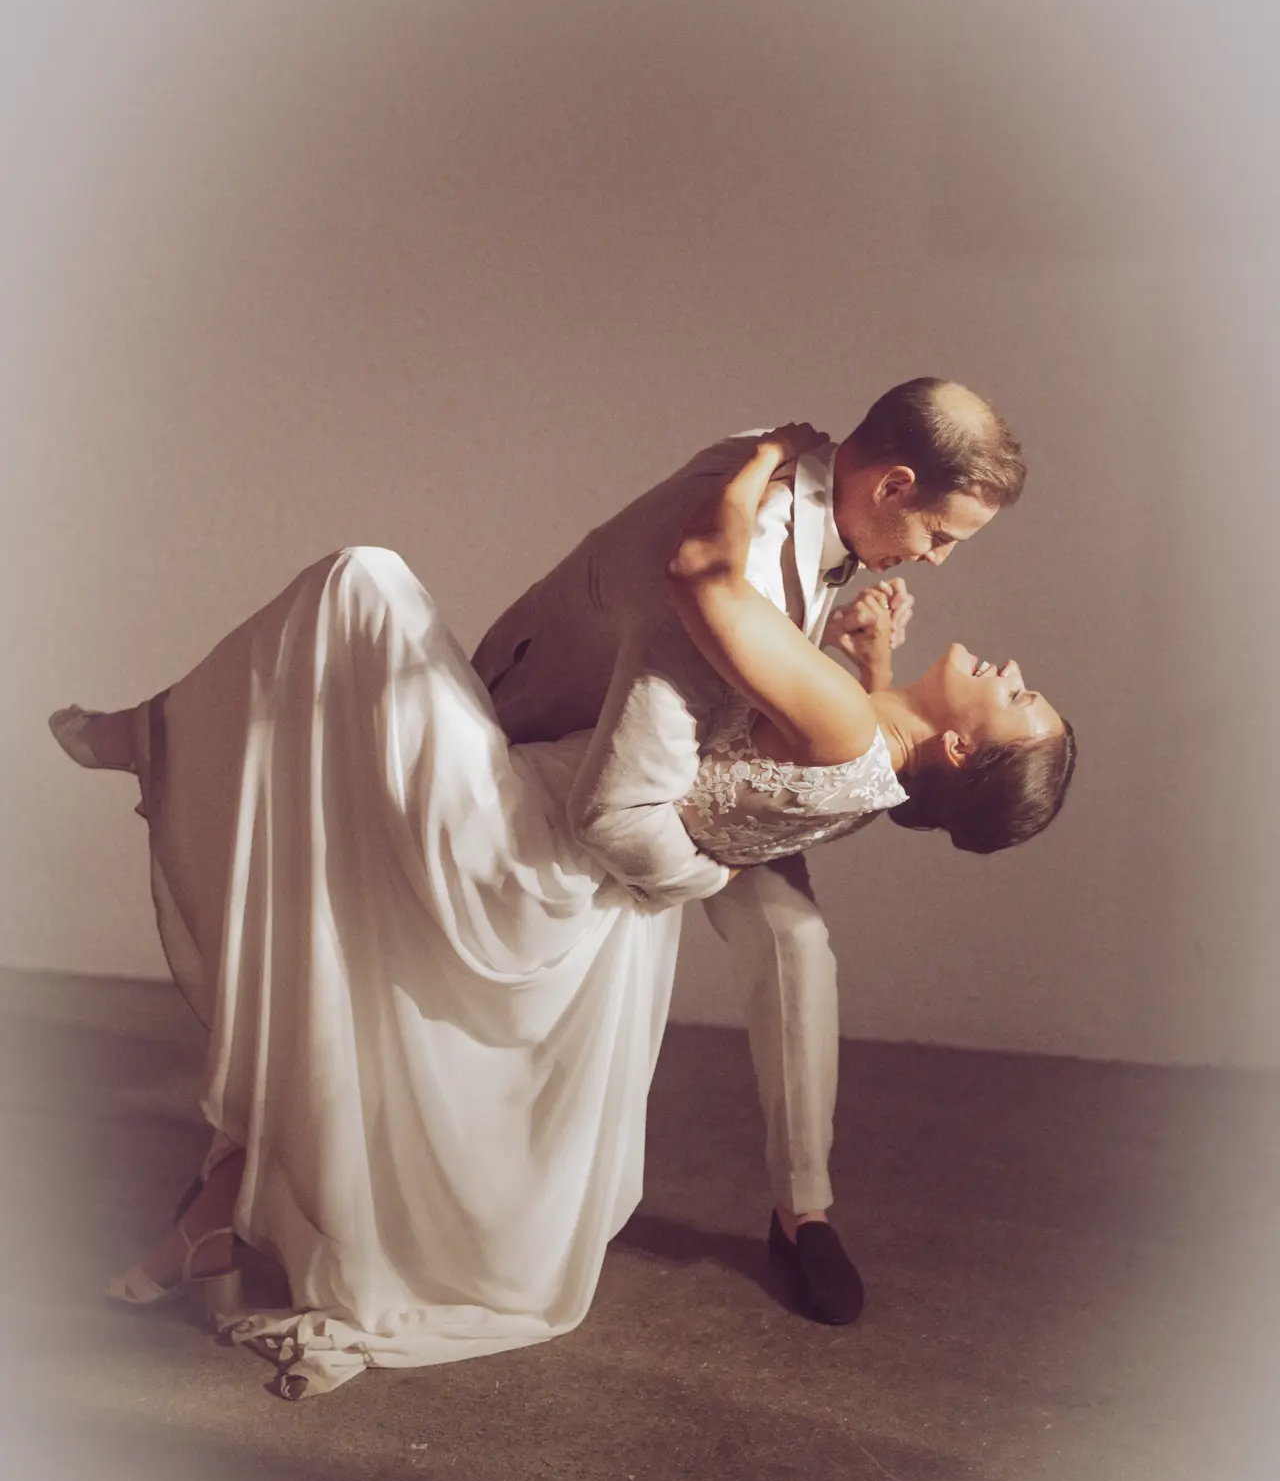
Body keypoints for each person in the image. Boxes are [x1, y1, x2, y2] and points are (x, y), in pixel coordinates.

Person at [49, 428, 1074, 1397]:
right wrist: (868, 659)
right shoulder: (872, 758)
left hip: (534, 833)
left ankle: (163, 733)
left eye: (1019, 702)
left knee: (362, 583)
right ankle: (208, 1226)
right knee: (352, 982)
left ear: (958, 754)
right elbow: (848, 751)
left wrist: (760, 457)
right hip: (588, 879)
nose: (1014, 672)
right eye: (940, 534)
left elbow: (699, 583)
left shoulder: (845, 718)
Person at [472, 378, 1031, 1322]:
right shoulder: (756, 531)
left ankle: (802, 1210)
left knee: (798, 943)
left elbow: (808, 711)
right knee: (686, 916)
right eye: (942, 535)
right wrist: (703, 870)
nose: (936, 562)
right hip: (591, 751)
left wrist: (867, 667)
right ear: (892, 486)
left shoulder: (803, 482)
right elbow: (650, 756)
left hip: (715, 766)